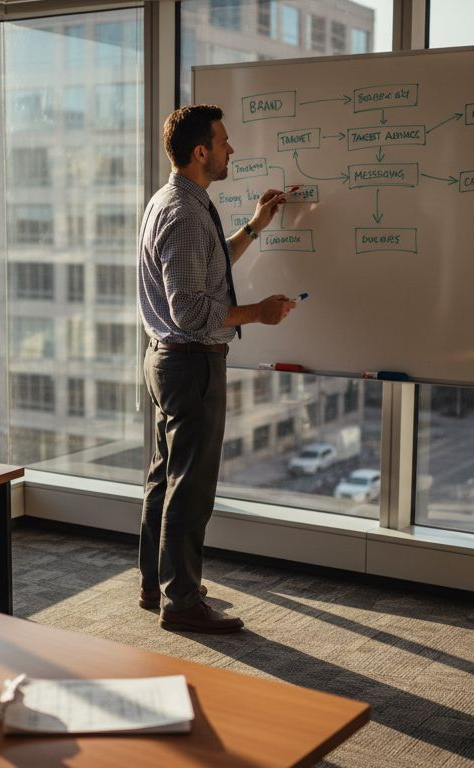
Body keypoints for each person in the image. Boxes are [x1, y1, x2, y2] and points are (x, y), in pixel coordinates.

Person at [137, 104, 297, 633]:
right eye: (224, 142)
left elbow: (206, 269)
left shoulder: (174, 201)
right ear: (200, 152)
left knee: (165, 480)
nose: (232, 150)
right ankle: (181, 603)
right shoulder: (183, 213)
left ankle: (156, 583)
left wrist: (254, 226)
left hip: (168, 361)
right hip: (190, 364)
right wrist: (259, 313)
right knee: (190, 486)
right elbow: (193, 311)